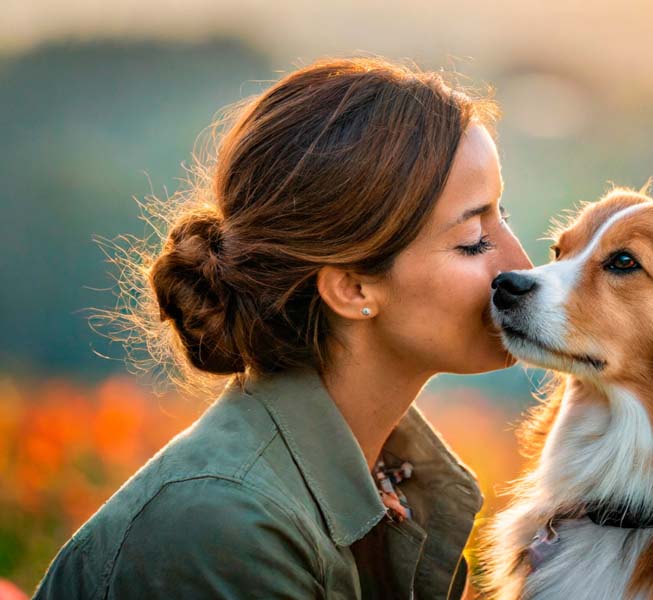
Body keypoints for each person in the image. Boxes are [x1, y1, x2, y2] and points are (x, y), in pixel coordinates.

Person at [32, 56, 532, 599]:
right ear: (353, 287)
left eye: (504, 217)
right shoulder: (224, 526)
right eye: (473, 240)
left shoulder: (399, 483)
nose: (523, 268)